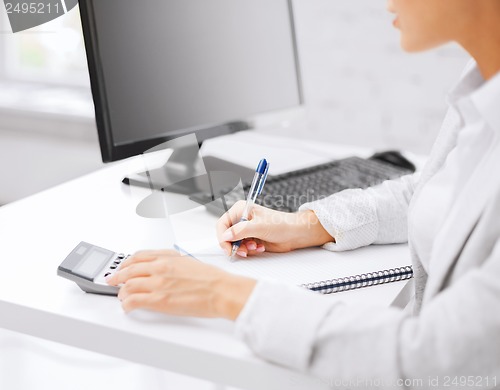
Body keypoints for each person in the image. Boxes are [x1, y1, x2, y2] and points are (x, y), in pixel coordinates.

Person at [107, 0, 500, 386]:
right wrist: (309, 225)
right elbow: (434, 188)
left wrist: (224, 293)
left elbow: (433, 360)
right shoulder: (482, 81)